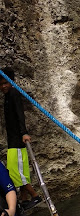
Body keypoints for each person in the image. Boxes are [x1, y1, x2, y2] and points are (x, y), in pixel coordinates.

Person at [0, 68, 41, 207]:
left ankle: (35, 196)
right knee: (19, 171)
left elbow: (20, 114)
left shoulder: (14, 94)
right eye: (1, 84)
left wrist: (24, 132)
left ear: (12, 82)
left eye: (6, 83)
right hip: (12, 140)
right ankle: (24, 199)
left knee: (15, 172)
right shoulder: (8, 96)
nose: (3, 86)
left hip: (17, 141)